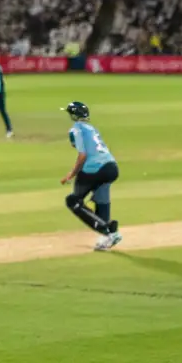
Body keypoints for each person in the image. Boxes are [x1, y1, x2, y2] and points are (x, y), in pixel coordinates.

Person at [60, 101, 122, 251]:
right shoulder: (92, 128)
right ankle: (106, 238)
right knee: (101, 199)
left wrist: (71, 174)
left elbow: (82, 155)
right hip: (111, 167)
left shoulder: (76, 130)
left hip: (95, 168)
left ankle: (108, 230)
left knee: (73, 201)